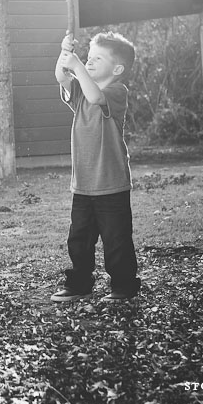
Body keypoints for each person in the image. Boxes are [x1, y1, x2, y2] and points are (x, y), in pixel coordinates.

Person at [51, 32, 141, 303]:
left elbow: (95, 96)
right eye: (88, 57)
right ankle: (79, 283)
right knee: (79, 240)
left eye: (96, 58)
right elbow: (62, 77)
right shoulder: (79, 89)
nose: (88, 62)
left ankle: (124, 286)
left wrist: (78, 66)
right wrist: (65, 54)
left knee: (117, 241)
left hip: (111, 184)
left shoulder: (116, 92)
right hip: (83, 184)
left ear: (117, 69)